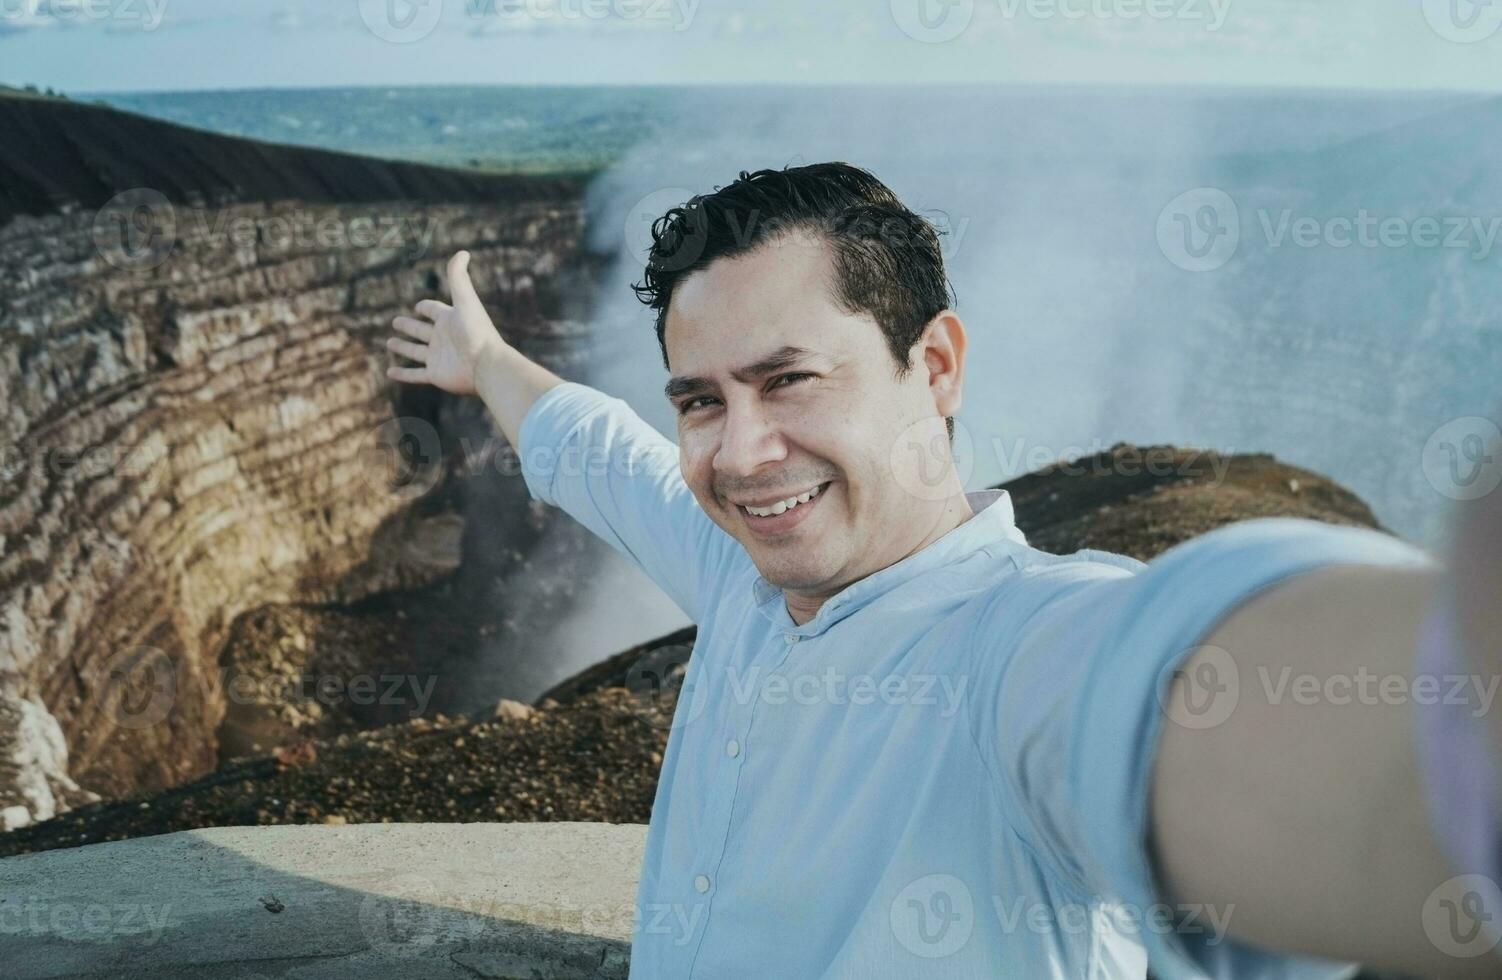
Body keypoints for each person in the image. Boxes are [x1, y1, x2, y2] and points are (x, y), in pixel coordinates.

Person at [386, 162, 1501, 978]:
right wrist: (483, 360)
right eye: (700, 399)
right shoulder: (742, 570)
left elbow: (1176, 704)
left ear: (935, 365)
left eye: (788, 380)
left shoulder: (1021, 650)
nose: (737, 451)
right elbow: (604, 455)